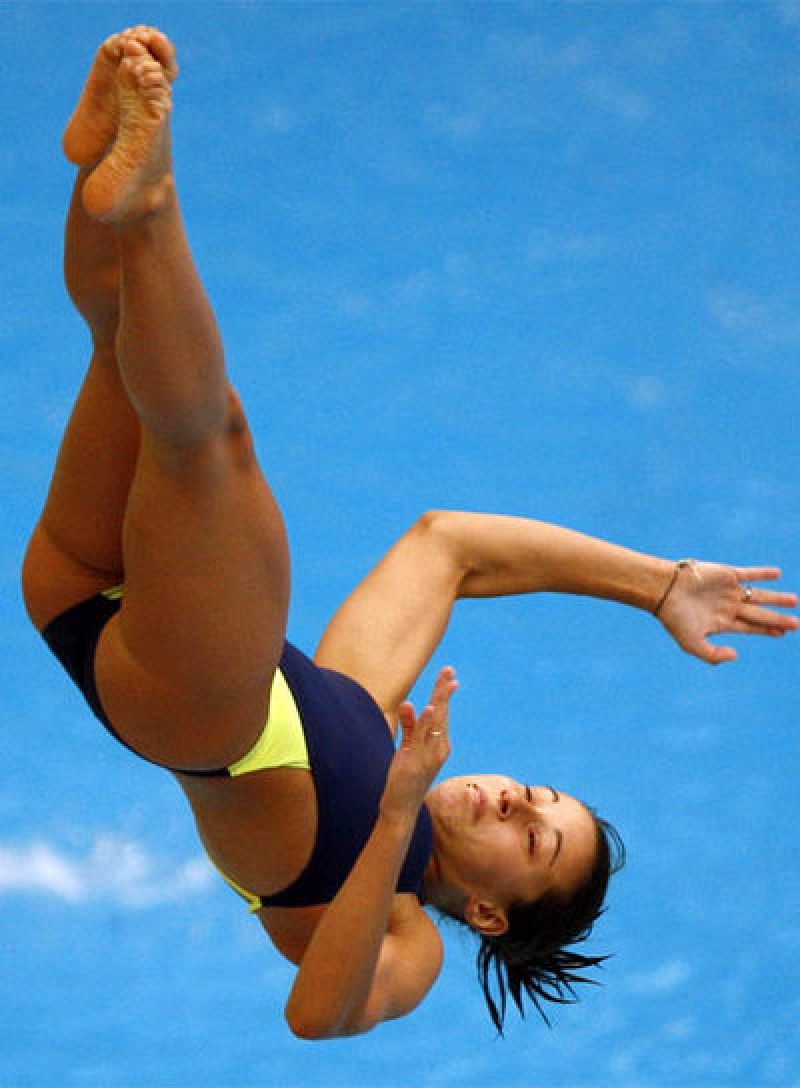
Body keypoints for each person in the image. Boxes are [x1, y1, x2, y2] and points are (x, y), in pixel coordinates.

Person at [21, 27, 798, 1040]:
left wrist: (396, 812)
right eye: (535, 794)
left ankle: (152, 201)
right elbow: (449, 545)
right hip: (84, 590)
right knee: (125, 335)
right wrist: (655, 583)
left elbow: (318, 1014)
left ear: (486, 909)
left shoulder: (406, 926)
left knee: (209, 435)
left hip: (192, 705)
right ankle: (102, 154)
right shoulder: (367, 706)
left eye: (526, 837)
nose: (509, 801)